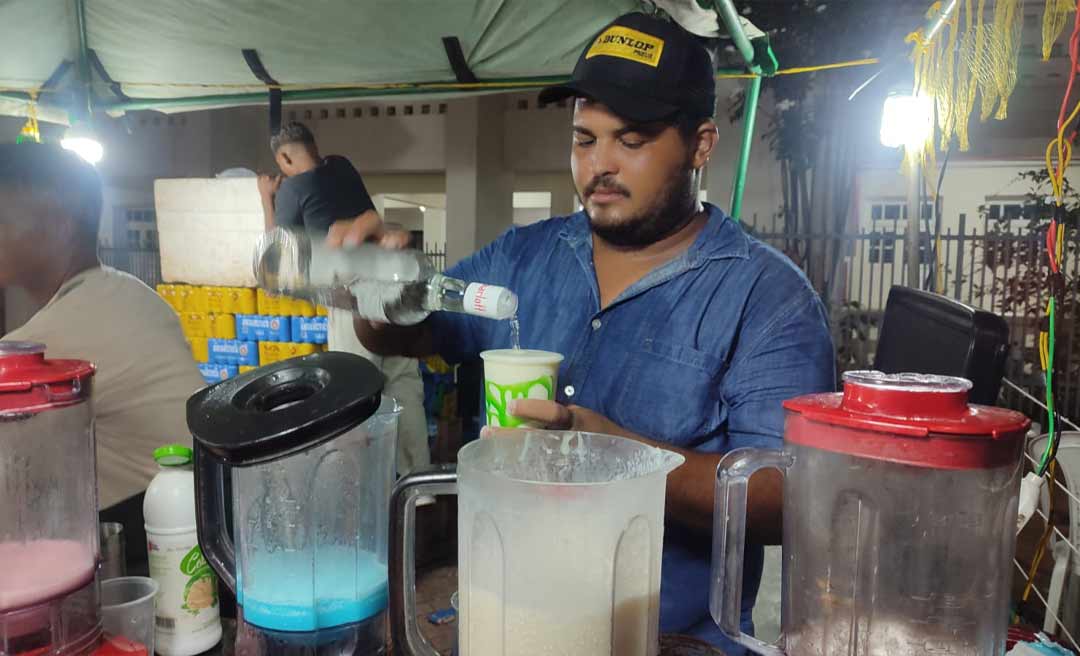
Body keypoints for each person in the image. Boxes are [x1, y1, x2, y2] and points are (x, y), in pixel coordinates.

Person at [342, 12, 835, 651]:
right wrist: (371, 294)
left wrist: (612, 456)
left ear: (701, 144)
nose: (598, 166)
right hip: (511, 622)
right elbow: (408, 333)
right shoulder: (524, 258)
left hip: (668, 641)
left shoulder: (768, 298)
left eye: (629, 140)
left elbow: (784, 497)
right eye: (583, 138)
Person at [0, 142, 206, 509]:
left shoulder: (54, 338)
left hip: (154, 544)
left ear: (59, 225)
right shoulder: (127, 292)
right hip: (189, 518)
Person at [258, 122, 431, 476]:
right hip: (391, 282)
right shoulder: (341, 165)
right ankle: (420, 486)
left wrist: (266, 197)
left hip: (352, 295)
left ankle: (365, 489)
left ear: (285, 157)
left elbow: (276, 255)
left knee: (356, 393)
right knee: (404, 385)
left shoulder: (291, 188)